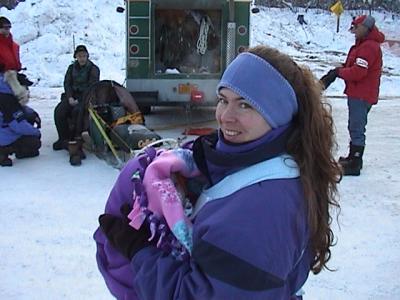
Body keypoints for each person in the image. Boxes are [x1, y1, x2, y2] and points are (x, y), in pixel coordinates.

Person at [94, 45, 341, 300]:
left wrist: (139, 251)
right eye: (223, 100)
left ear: (277, 114)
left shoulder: (261, 208)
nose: (225, 117)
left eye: (245, 105)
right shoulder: (272, 159)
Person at [320, 15, 385, 176]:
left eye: (356, 29)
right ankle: (352, 157)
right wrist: (340, 69)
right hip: (359, 92)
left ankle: (355, 162)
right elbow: (355, 66)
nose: (354, 32)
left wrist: (337, 73)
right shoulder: (363, 45)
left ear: (365, 28)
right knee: (354, 126)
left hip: (362, 93)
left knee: (356, 127)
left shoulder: (369, 47)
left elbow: (359, 72)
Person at [53, 44, 100, 166]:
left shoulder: (94, 69)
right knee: (59, 111)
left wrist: (80, 100)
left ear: (87, 56)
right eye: (79, 56)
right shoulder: (71, 68)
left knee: (77, 112)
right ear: (76, 57)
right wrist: (69, 97)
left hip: (85, 98)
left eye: (84, 56)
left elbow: (92, 87)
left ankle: (76, 140)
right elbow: (67, 83)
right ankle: (63, 138)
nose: (82, 58)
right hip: (72, 96)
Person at [0, 74, 41, 167]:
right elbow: (18, 126)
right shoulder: (7, 99)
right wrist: (36, 132)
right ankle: (4, 150)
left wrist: (33, 114)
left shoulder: (3, 90)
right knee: (34, 143)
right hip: (3, 135)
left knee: (28, 117)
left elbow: (20, 108)